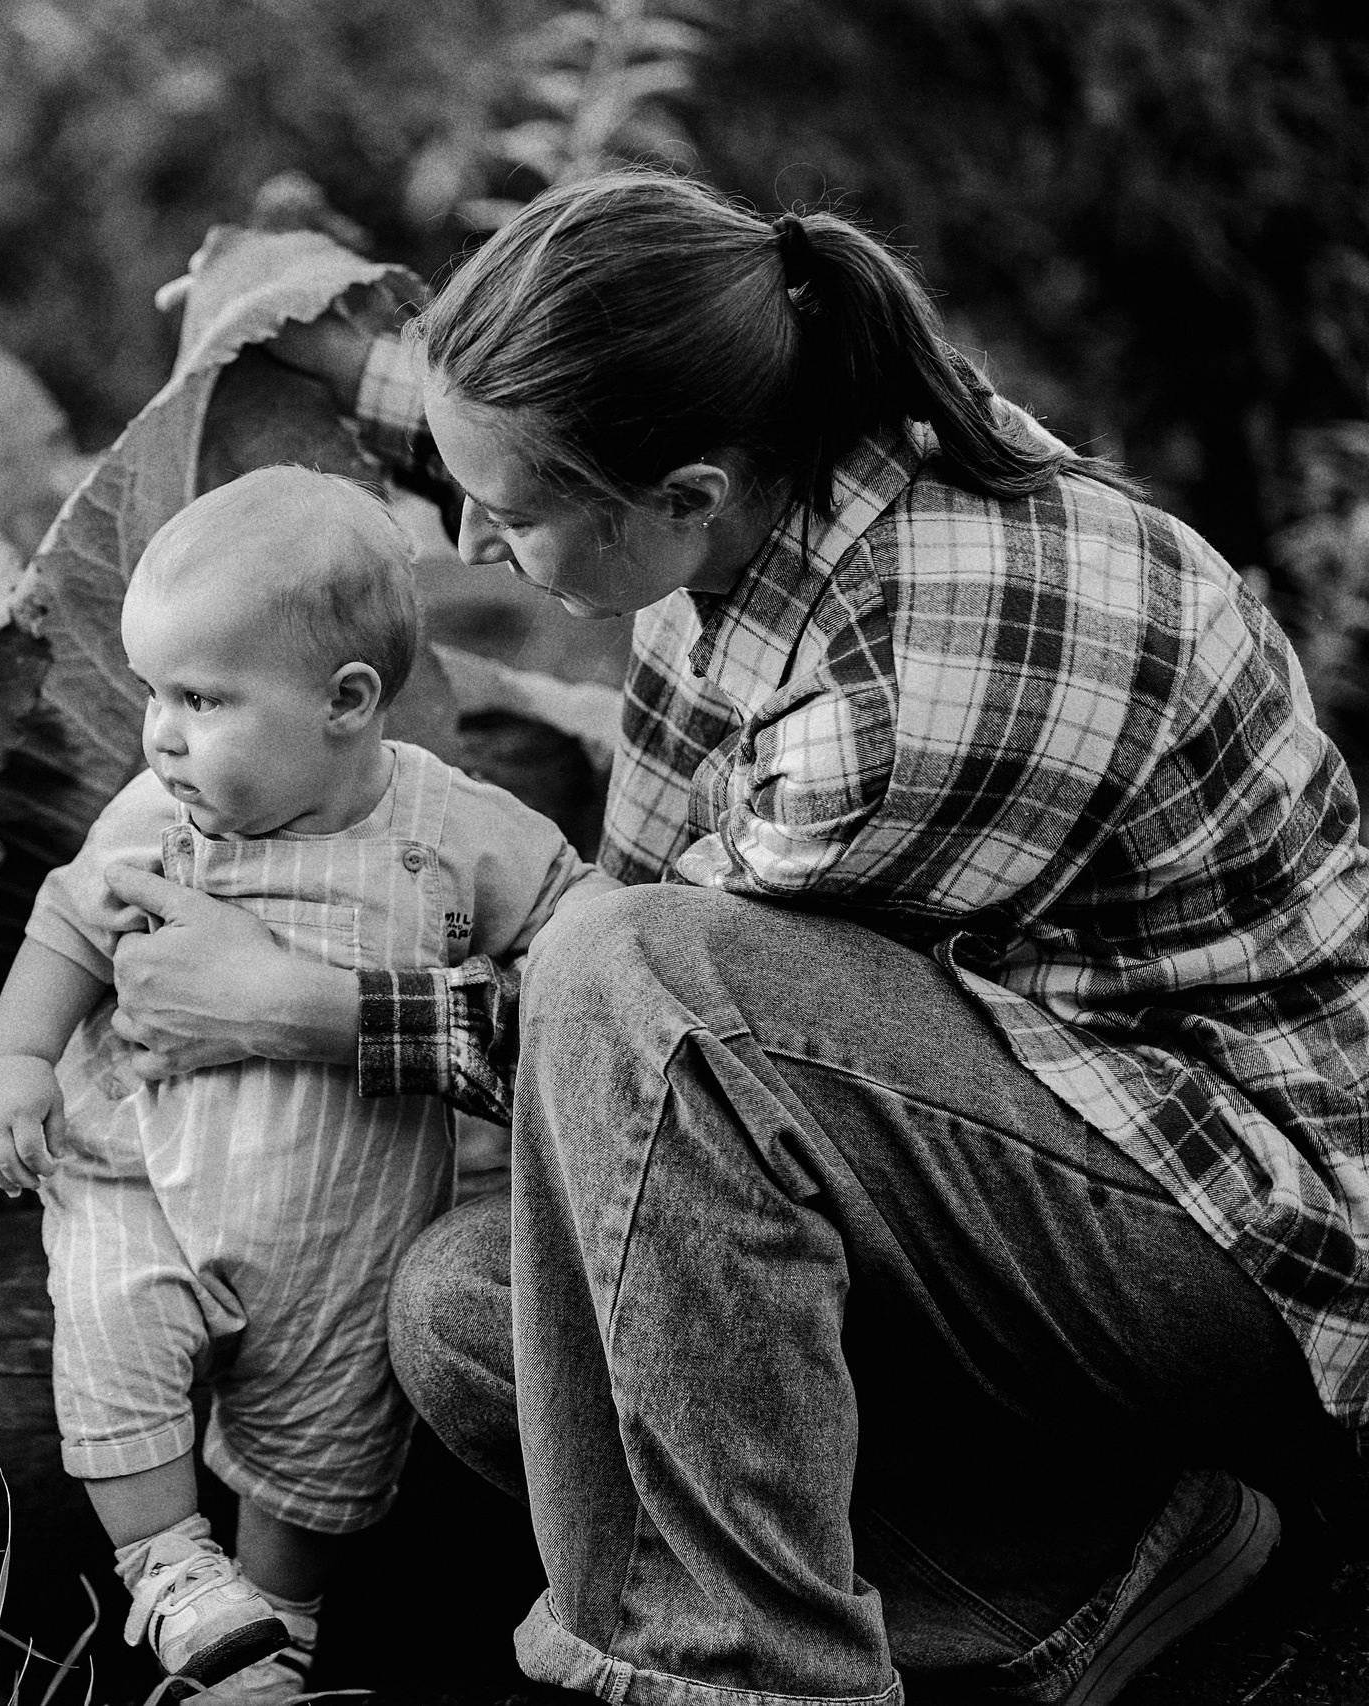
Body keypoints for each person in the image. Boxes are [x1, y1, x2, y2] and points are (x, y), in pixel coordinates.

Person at [92, 171, 1369, 1706]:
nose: (480, 548)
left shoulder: (902, 679)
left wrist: (301, 1007)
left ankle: (742, 1678)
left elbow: (652, 1031)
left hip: (1230, 1227)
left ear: (686, 497)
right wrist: (280, 323)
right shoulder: (788, 436)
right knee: (467, 1317)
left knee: (637, 971)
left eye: (506, 520)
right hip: (1015, 1150)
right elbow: (539, 463)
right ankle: (1088, 1570)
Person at [0, 467, 607, 1703]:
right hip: (140, 1180)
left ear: (346, 702)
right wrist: (17, 1059)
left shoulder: (451, 828)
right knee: (111, 1331)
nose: (160, 730)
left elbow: (574, 924)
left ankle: (273, 1641)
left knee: (316, 1444)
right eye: (155, 690)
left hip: (345, 1234)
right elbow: (68, 926)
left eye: (202, 698)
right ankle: (164, 1565)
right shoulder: (157, 813)